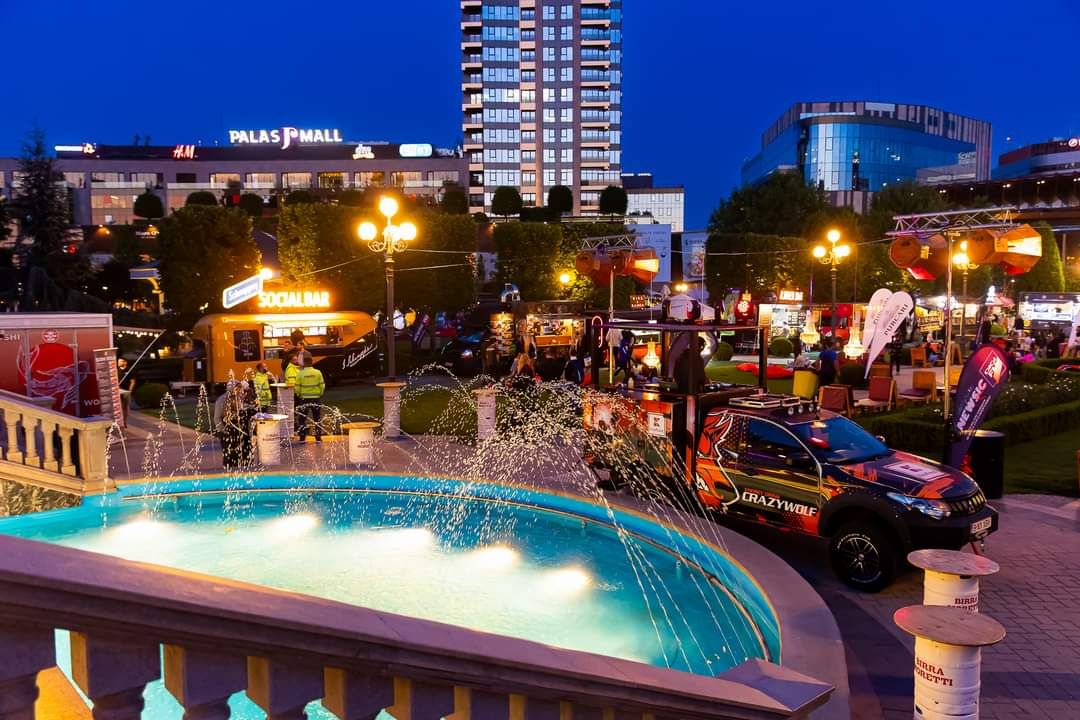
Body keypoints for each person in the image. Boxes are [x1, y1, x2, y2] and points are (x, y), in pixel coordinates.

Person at [295, 360, 326, 443]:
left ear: (304, 364)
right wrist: (320, 394)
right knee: (317, 418)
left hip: (304, 398)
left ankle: (302, 438)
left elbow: (297, 387)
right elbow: (322, 385)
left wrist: (299, 395)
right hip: (316, 398)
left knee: (302, 418)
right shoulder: (318, 372)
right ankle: (318, 438)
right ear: (311, 363)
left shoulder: (300, 373)